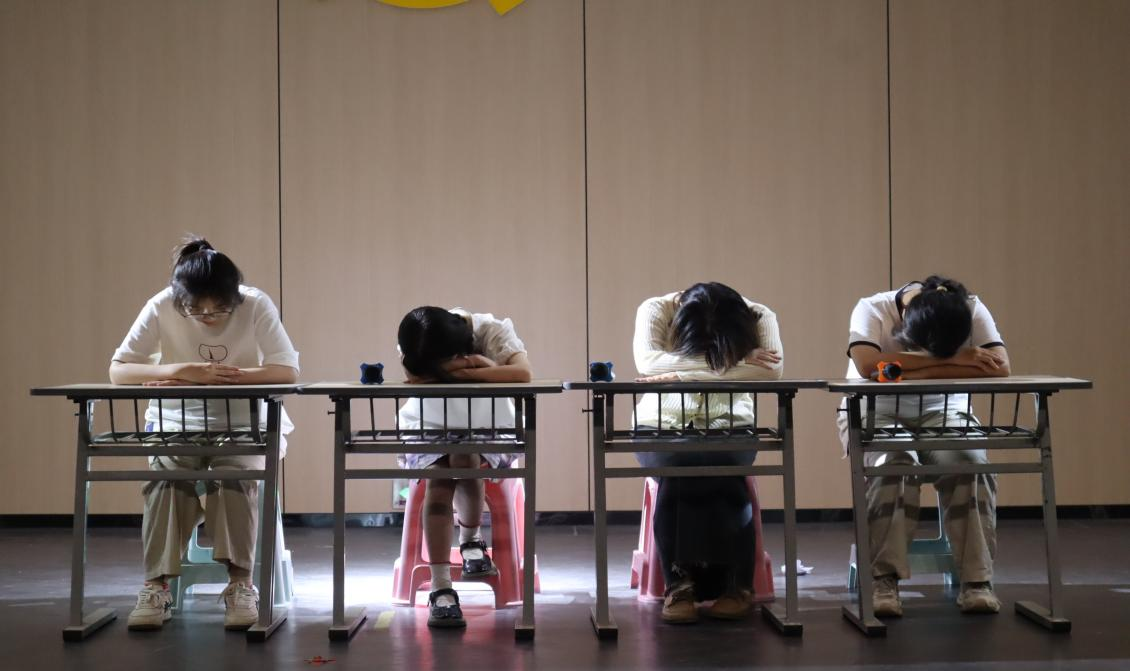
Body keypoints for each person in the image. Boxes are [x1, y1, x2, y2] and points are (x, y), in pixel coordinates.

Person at [109, 237, 299, 630]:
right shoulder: (162, 304)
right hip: (175, 423)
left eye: (220, 307)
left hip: (245, 425)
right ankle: (156, 587)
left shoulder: (255, 303)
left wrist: (220, 377)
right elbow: (119, 370)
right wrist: (180, 371)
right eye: (196, 308)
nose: (208, 315)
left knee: (234, 476)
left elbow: (286, 370)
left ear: (234, 294)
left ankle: (241, 584)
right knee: (165, 481)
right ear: (181, 298)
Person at [840, 275, 1010, 617]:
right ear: (906, 323)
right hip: (877, 410)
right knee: (894, 461)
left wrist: (906, 370)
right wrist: (959, 360)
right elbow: (867, 366)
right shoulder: (872, 308)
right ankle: (883, 580)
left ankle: (977, 580)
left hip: (946, 409)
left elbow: (1000, 367)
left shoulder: (970, 308)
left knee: (970, 461)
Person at [632, 282, 783, 624]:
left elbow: (772, 370)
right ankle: (679, 585)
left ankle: (737, 586)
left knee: (723, 463)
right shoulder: (655, 310)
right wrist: (734, 359)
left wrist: (677, 372)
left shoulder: (759, 316)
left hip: (731, 425)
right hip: (660, 425)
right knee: (679, 464)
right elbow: (648, 363)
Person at [396, 306, 532, 628]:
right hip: (428, 423)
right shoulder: (419, 336)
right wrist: (483, 368)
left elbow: (523, 374)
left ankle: (471, 539)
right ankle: (441, 586)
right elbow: (415, 377)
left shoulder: (491, 331)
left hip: (488, 423)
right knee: (439, 481)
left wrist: (464, 369)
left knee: (466, 457)